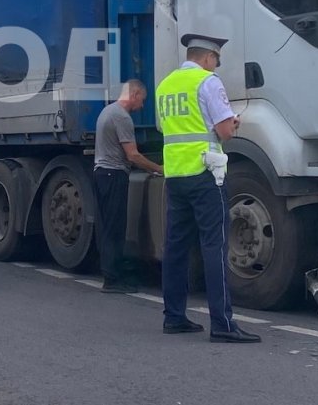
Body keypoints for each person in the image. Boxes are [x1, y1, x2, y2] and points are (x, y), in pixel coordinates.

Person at [156, 33, 261, 343]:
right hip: (206, 175)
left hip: (176, 175)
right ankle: (222, 324)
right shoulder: (208, 82)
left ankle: (174, 317)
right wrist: (232, 123)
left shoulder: (165, 86)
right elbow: (225, 132)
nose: (217, 65)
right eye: (216, 59)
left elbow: (167, 128)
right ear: (206, 57)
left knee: (176, 248)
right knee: (214, 247)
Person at [93, 79, 163, 293]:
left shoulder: (108, 111)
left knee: (108, 226)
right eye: (142, 99)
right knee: (115, 229)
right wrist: (159, 169)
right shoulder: (122, 117)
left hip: (102, 174)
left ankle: (111, 274)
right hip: (113, 175)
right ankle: (112, 281)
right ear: (134, 94)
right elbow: (132, 155)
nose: (142, 105)